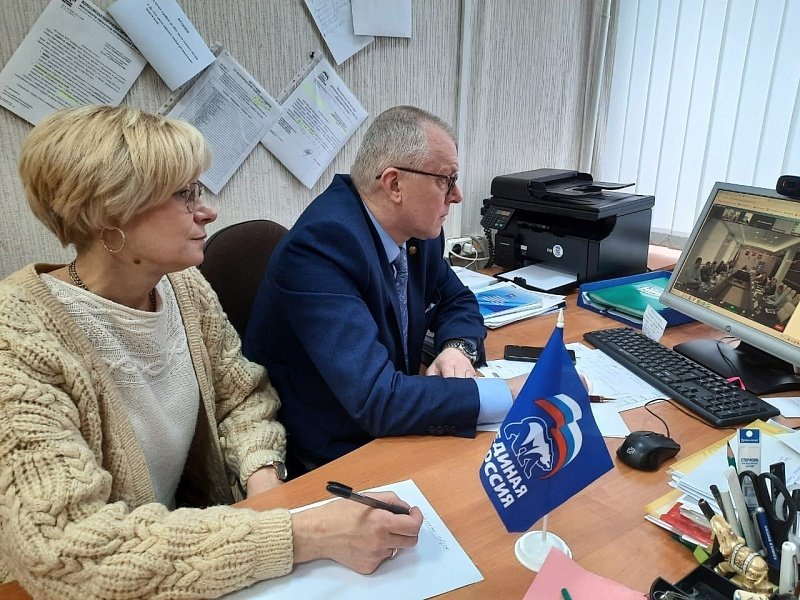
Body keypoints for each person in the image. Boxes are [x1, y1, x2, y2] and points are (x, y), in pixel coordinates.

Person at [0, 106, 423, 599]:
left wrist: (263, 481)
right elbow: (69, 556)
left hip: (197, 551)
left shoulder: (183, 287)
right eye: (184, 195)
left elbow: (240, 396)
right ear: (107, 214)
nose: (207, 212)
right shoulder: (18, 338)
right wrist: (305, 534)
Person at [244, 105, 526, 469]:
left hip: (393, 423)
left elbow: (457, 300)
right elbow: (377, 399)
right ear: (394, 184)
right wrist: (509, 393)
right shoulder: (321, 248)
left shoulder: (416, 233)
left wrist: (457, 349)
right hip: (338, 452)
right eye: (446, 179)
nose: (456, 195)